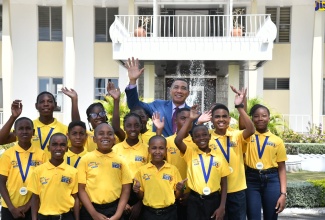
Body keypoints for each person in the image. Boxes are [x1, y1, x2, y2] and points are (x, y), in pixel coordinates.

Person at [174, 105, 230, 220]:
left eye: (204, 135)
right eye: (197, 136)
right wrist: (190, 119)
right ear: (193, 140)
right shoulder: (190, 153)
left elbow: (224, 183)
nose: (201, 138)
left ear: (209, 136)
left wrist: (222, 206)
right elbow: (178, 140)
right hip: (194, 200)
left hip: (213, 200)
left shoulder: (218, 157)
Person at [209, 87, 255, 220]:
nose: (221, 119)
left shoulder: (236, 135)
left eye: (224, 116)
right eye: (217, 117)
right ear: (211, 120)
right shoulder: (207, 137)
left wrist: (239, 106)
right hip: (216, 190)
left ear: (229, 119)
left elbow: (251, 129)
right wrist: (199, 121)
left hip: (237, 189)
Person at [124, 57, 191, 137]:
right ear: (170, 91)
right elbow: (134, 105)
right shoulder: (158, 105)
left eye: (183, 88)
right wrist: (132, 81)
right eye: (176, 87)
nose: (179, 91)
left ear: (188, 93)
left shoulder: (192, 114)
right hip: (160, 148)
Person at [77, 123, 131, 220]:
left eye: (110, 134)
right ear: (94, 139)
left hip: (115, 208)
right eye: (101, 133)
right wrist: (94, 214)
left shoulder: (121, 160)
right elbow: (81, 189)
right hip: (91, 209)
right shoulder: (85, 159)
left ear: (114, 139)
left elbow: (126, 189)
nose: (105, 136)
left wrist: (118, 215)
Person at [245, 104, 287, 220]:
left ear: (269, 118)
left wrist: (283, 194)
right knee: (253, 217)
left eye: (264, 116)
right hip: (251, 180)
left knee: (271, 217)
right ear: (252, 118)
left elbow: (282, 168)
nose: (260, 119)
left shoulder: (277, 141)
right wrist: (241, 103)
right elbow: (242, 123)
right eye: (256, 116)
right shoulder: (247, 137)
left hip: (272, 180)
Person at [0, 116, 47, 220]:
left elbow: (42, 183)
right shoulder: (7, 155)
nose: (24, 131)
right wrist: (12, 208)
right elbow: (1, 182)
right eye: (21, 129)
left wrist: (27, 206)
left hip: (33, 207)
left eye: (28, 128)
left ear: (33, 131)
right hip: (9, 207)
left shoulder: (42, 155)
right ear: (15, 132)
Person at [133, 135, 186, 220]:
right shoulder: (142, 170)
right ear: (148, 150)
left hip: (169, 213)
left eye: (161, 148)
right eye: (154, 148)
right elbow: (141, 196)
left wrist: (180, 189)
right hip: (149, 213)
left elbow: (177, 196)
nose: (157, 151)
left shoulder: (173, 169)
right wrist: (137, 190)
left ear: (166, 150)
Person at [28, 133, 79, 220]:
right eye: (54, 145)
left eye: (62, 145)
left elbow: (75, 198)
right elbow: (35, 198)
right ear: (48, 148)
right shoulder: (38, 171)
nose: (58, 148)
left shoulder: (73, 172)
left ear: (67, 149)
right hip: (44, 217)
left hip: (66, 216)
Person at [61, 87, 119, 152]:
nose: (99, 117)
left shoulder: (112, 135)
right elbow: (76, 125)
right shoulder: (87, 135)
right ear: (89, 119)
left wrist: (116, 100)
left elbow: (117, 129)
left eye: (102, 113)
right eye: (94, 115)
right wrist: (74, 100)